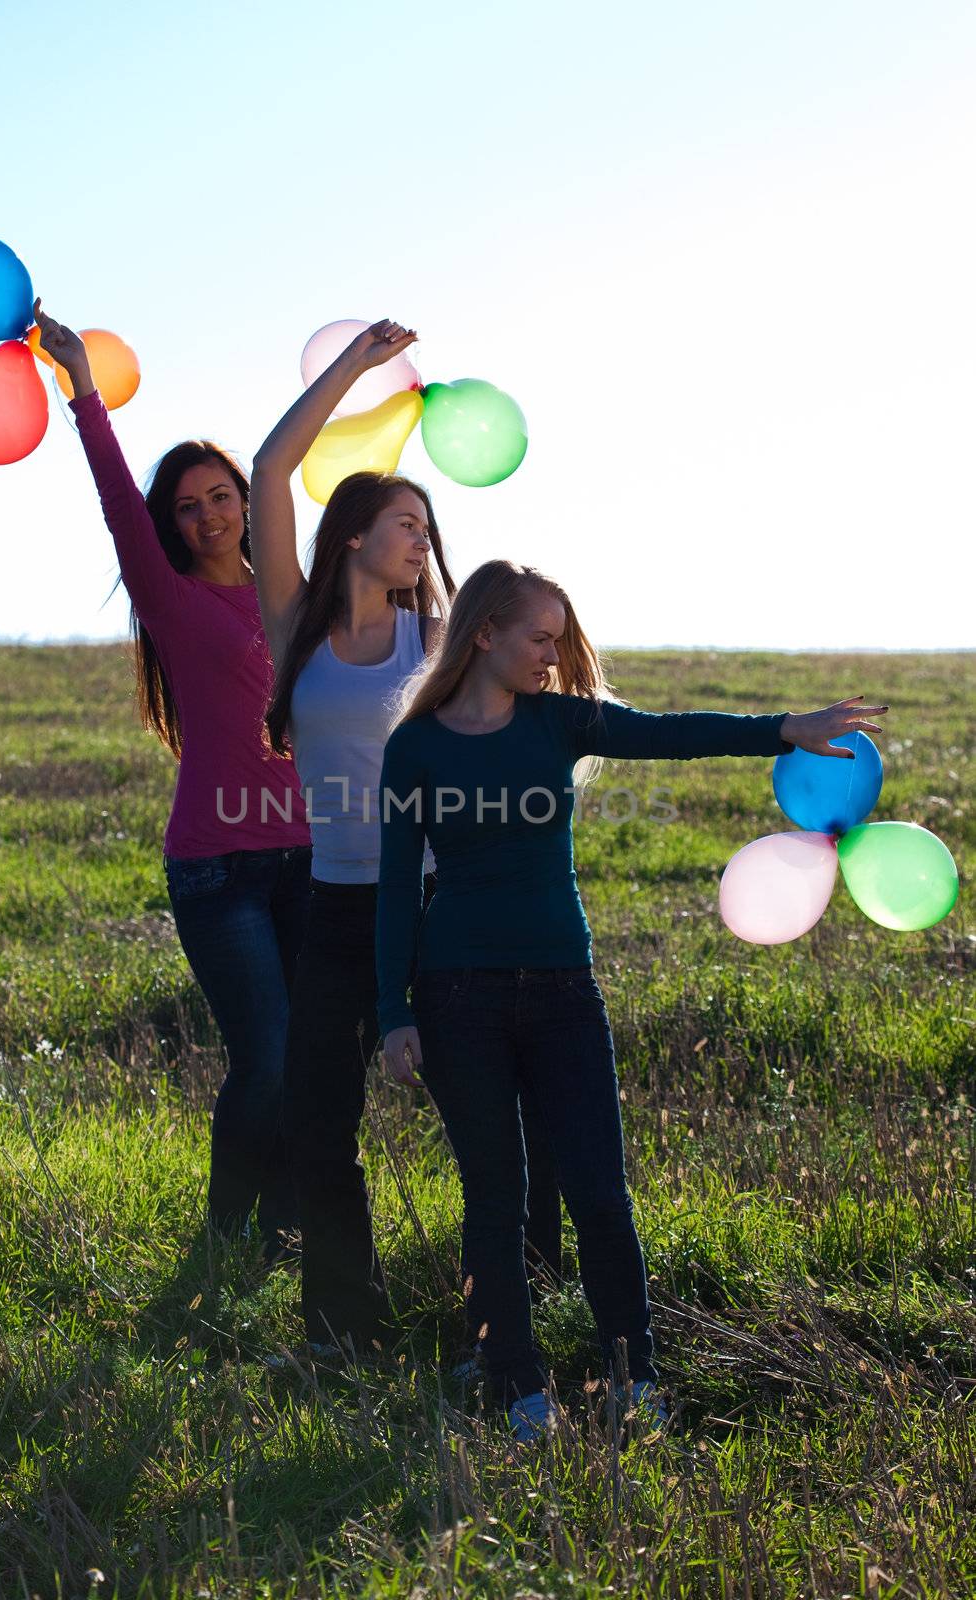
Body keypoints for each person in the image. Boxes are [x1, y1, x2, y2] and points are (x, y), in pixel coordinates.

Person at [375, 559, 888, 1438]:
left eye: (558, 639)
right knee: (494, 1196)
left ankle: (633, 1376)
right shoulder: (414, 748)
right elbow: (393, 887)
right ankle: (517, 1388)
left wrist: (781, 730)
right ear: (484, 633)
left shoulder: (558, 721)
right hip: (457, 993)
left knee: (599, 1192)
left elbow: (667, 733)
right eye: (538, 637)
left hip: (564, 990)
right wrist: (393, 1012)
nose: (551, 654)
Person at [250, 322, 565, 1356]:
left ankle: (510, 1308)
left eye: (428, 525)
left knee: (485, 1114)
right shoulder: (295, 623)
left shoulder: (438, 641)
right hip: (332, 904)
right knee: (314, 1117)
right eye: (402, 520)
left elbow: (535, 683)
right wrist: (353, 374)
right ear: (350, 533)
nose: (421, 539)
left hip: (436, 905)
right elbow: (267, 470)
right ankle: (346, 1325)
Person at [32, 299, 313, 1256]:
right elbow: (116, 496)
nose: (203, 515)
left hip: (312, 859)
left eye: (218, 496)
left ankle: (282, 1230)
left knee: (309, 1059)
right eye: (185, 506)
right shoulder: (170, 599)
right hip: (217, 867)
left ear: (247, 498)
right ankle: (227, 1237)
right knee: (264, 1057)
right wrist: (81, 389)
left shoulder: (299, 599)